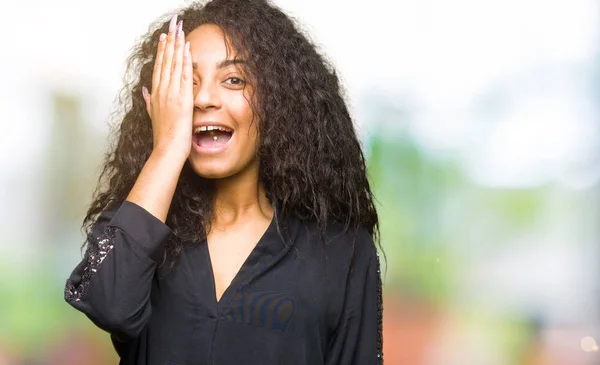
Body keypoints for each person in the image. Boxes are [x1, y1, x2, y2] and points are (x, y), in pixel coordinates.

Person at [64, 0, 384, 364]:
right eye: (187, 82)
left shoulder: (342, 251)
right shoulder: (137, 223)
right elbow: (109, 306)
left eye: (233, 79)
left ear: (277, 100)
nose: (202, 99)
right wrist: (167, 149)